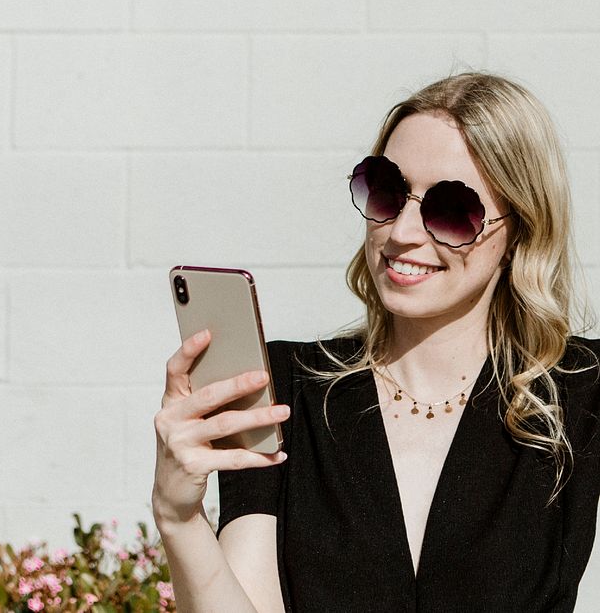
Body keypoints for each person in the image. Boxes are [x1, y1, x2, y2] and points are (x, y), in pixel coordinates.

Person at [151, 71, 600, 612]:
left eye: (452, 209)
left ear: (520, 231)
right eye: (387, 189)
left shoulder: (578, 390)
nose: (403, 232)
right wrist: (178, 518)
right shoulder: (287, 390)